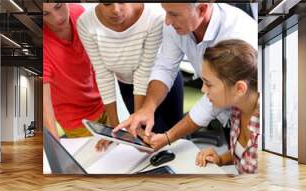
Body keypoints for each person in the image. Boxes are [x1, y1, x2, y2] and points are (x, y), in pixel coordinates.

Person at [113, 3, 257, 141]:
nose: (168, 21)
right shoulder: (176, 24)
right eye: (166, 12)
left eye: (174, 14)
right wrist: (147, 108)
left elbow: (210, 104)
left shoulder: (236, 35)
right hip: (230, 117)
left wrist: (169, 137)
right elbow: (165, 67)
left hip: (248, 114)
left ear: (202, 9)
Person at [78, 3, 183, 150]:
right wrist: (113, 128)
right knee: (147, 145)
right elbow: (102, 74)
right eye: (107, 3)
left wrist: (137, 121)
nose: (116, 10)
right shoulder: (85, 23)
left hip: (163, 83)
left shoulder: (153, 16)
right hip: (128, 86)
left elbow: (143, 72)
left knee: (175, 140)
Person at [144, 40, 260, 174]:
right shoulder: (237, 110)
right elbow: (243, 153)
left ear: (239, 89)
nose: (203, 90)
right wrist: (221, 159)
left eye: (209, 84)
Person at [43, 3, 106, 141]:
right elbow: (44, 101)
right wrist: (56, 148)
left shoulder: (79, 12)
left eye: (58, 6)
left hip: (102, 104)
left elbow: (97, 61)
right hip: (78, 121)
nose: (57, 18)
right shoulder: (42, 44)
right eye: (45, 13)